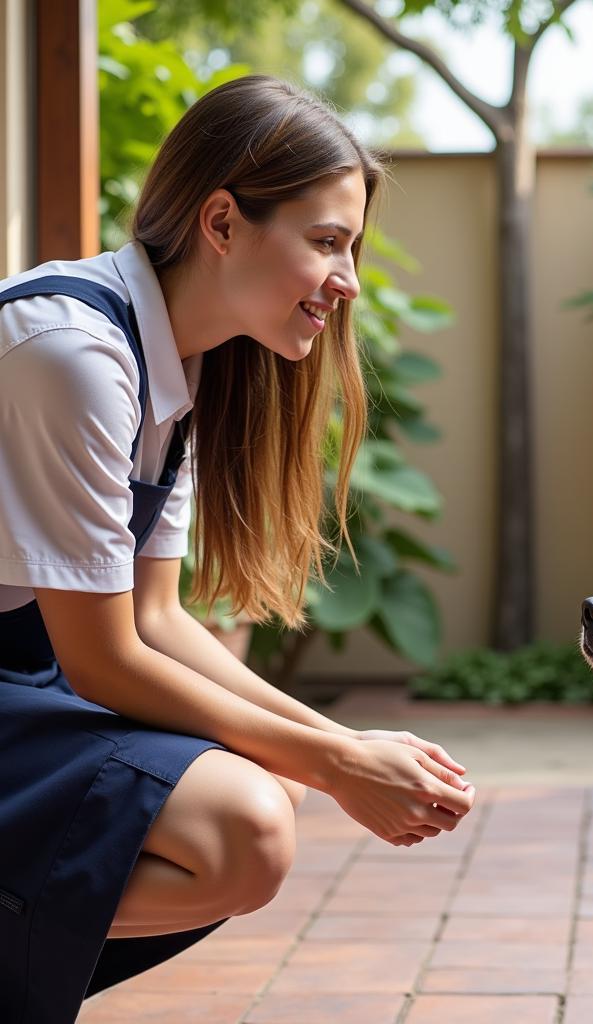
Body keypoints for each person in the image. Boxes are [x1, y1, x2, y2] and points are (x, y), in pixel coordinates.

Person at [0, 74, 475, 1023]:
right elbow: (103, 658)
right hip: (40, 671)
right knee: (247, 826)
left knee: (272, 796)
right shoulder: (70, 350)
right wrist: (339, 766)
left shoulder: (174, 366)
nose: (346, 282)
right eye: (327, 241)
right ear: (222, 222)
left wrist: (340, 749)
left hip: (29, 675)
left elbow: (157, 618)